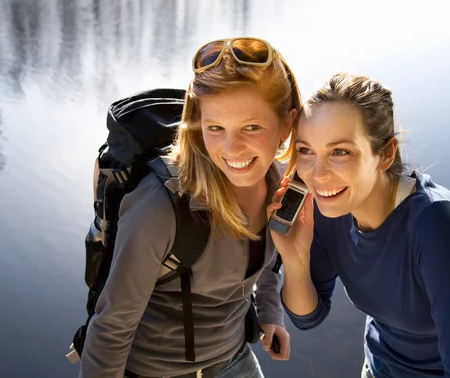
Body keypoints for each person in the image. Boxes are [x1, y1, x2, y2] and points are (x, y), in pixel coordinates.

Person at [79, 37, 301, 378]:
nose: (232, 150)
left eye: (251, 127)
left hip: (235, 359)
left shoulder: (284, 186)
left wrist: (271, 313)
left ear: (287, 124)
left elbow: (270, 262)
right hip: (157, 371)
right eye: (215, 128)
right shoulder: (160, 208)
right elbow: (112, 326)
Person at [269, 73, 450, 377]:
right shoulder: (330, 210)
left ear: (386, 153)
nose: (318, 173)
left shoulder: (438, 225)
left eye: (340, 152)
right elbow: (308, 317)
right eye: (306, 151)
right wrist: (294, 258)